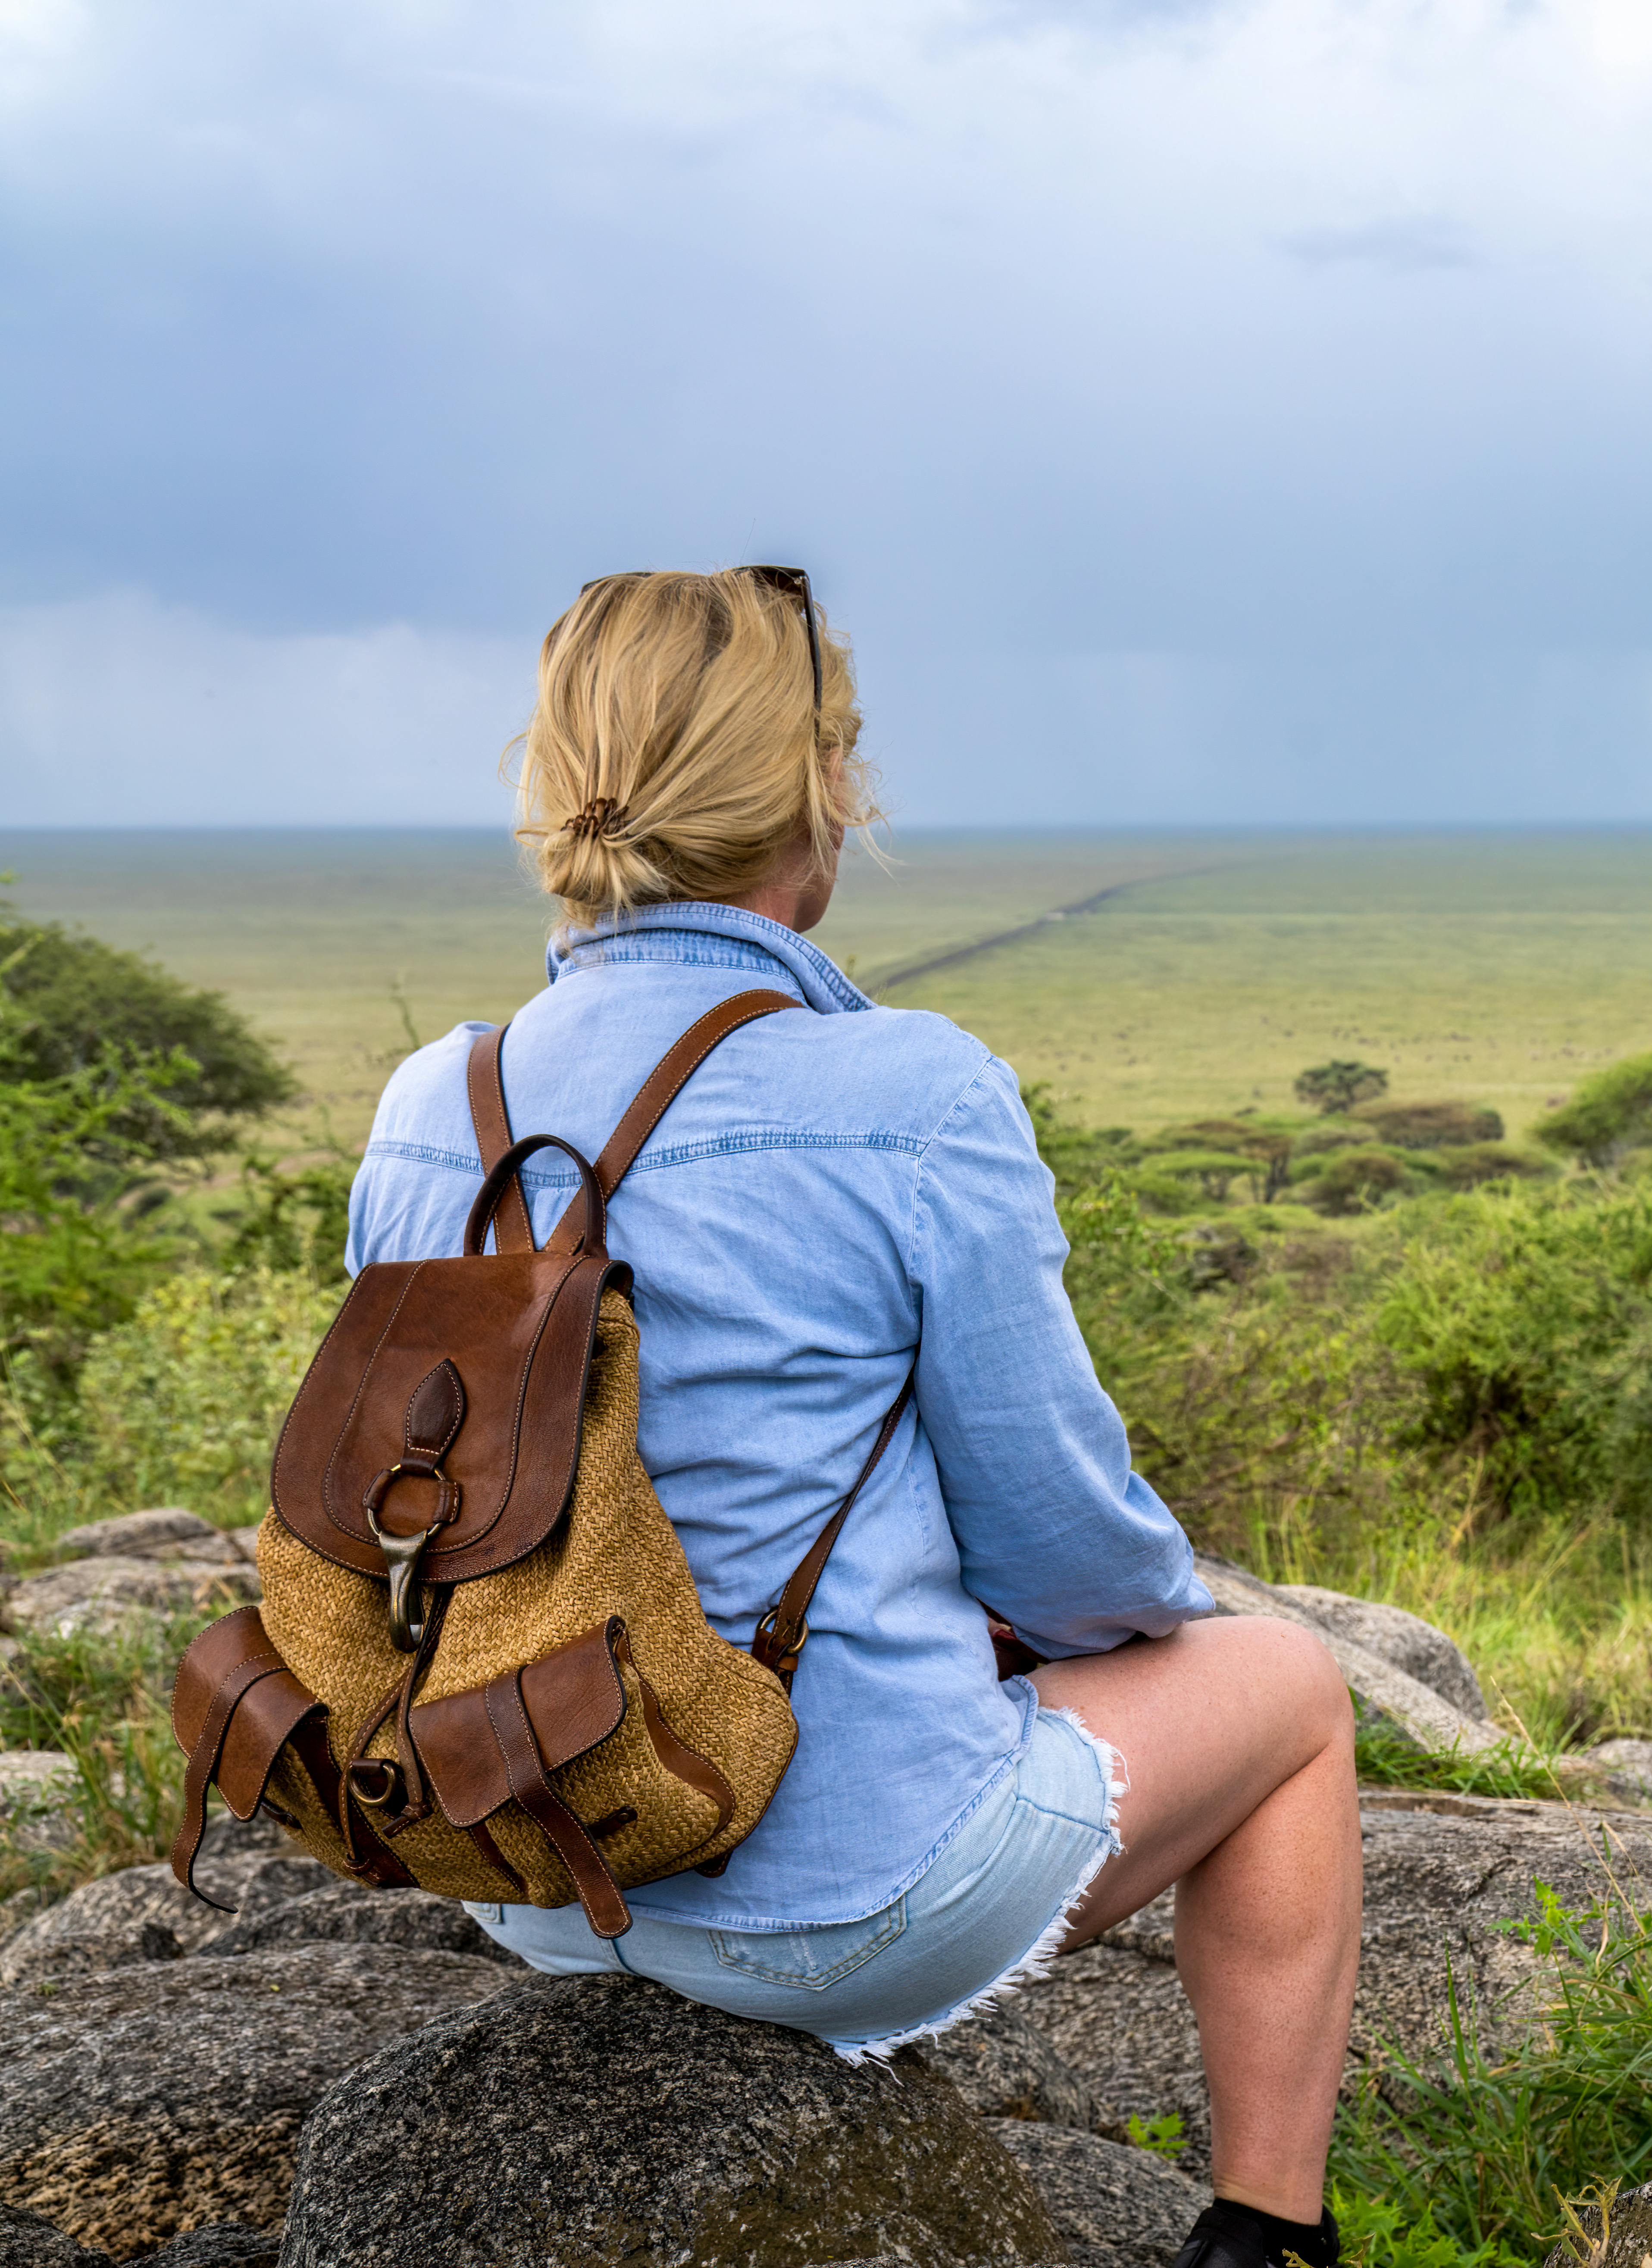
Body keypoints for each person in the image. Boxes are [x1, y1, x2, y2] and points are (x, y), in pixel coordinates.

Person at [344, 566, 1361, 2268]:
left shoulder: (432, 1102)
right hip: (832, 1913)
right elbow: (1059, 1540)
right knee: (1293, 1692)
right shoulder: (913, 1091)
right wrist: (1112, 1628)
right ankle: (1270, 2232)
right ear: (818, 797)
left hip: (528, 1863)